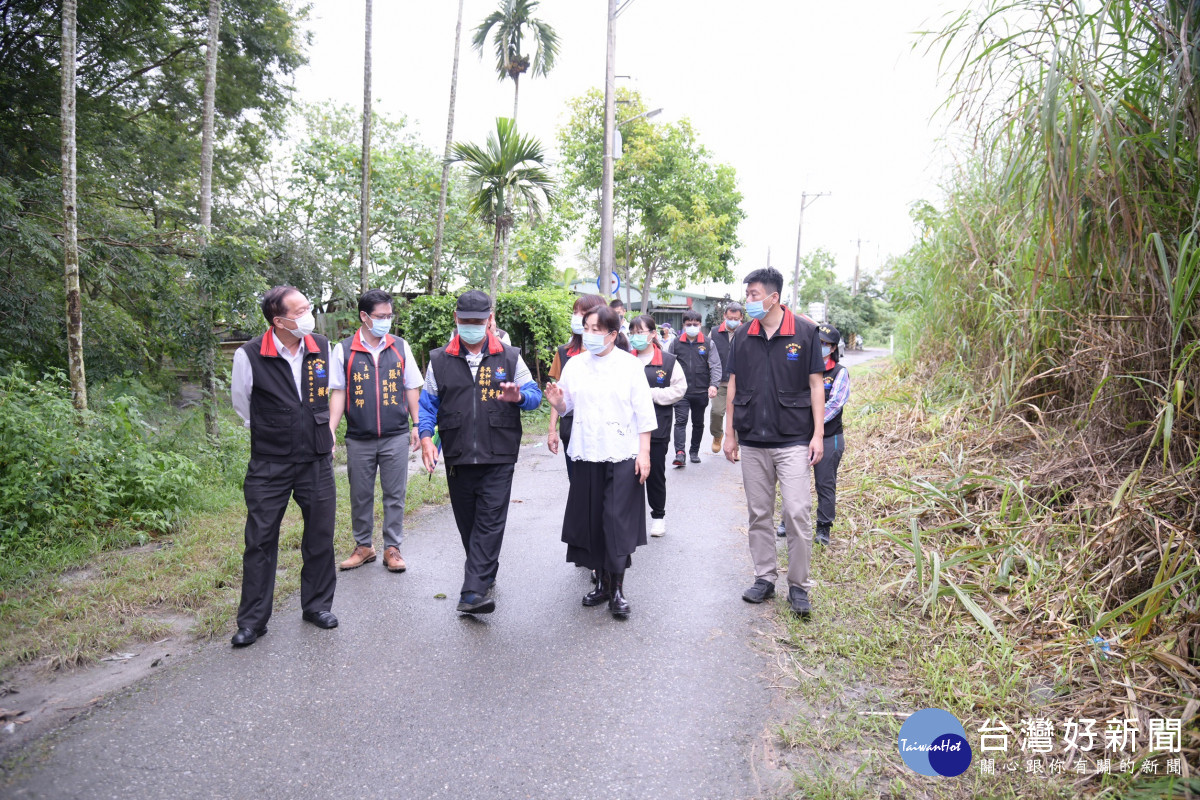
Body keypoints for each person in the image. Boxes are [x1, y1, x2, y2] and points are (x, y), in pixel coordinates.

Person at [418, 290, 542, 615]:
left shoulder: (510, 356)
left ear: (490, 320)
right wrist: (426, 438)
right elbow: (428, 404)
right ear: (456, 319)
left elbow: (534, 394)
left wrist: (519, 398)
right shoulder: (439, 359)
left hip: (498, 453)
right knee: (469, 525)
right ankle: (485, 574)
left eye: (478, 321)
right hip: (459, 455)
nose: (471, 326)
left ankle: (472, 593)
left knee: (490, 521)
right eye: (465, 321)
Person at [229, 285, 338, 647]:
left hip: (317, 460)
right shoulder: (249, 354)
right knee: (259, 541)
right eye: (300, 310)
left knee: (320, 535)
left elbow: (334, 389)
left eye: (308, 307)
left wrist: (327, 430)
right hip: (269, 463)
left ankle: (317, 605)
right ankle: (253, 621)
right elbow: (242, 404)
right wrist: (278, 426)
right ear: (278, 321)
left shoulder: (321, 346)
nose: (308, 314)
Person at [722, 267, 825, 619]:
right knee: (759, 513)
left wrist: (818, 434)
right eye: (747, 294)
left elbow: (815, 386)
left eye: (753, 295)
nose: (747, 300)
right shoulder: (743, 337)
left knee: (797, 512)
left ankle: (798, 586)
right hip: (752, 438)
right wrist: (730, 433)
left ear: (773, 298)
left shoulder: (806, 333)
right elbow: (732, 386)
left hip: (794, 438)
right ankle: (764, 577)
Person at [544, 305, 657, 618]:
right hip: (586, 451)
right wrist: (557, 403)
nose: (590, 334)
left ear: (613, 334)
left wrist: (644, 453)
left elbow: (644, 413)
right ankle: (602, 584)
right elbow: (567, 405)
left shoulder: (629, 366)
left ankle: (618, 589)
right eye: (587, 328)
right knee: (592, 519)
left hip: (622, 453)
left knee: (616, 522)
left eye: (596, 329)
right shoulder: (576, 365)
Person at [328, 289, 423, 573]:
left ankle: (392, 548)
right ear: (364, 317)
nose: (386, 321)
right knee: (360, 494)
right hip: (359, 437)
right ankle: (364, 546)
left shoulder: (399, 346)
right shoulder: (343, 350)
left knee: (395, 493)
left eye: (389, 316)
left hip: (395, 434)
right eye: (381, 316)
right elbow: (338, 392)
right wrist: (331, 430)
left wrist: (418, 425)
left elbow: (411, 387)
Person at [628, 314, 686, 537]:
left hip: (657, 428)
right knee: (628, 474)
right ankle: (630, 518)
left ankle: (658, 516)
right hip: (628, 428)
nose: (635, 337)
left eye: (640, 332)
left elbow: (679, 389)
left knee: (655, 473)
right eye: (632, 333)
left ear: (653, 334)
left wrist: (652, 394)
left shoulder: (669, 361)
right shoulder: (625, 359)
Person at [547, 294, 608, 482]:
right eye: (575, 312)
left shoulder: (613, 353)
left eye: (583, 312)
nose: (578, 317)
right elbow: (557, 396)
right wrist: (552, 430)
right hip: (572, 428)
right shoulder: (564, 352)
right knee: (577, 484)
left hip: (604, 429)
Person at [667, 309, 721, 466]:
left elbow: (716, 365)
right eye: (688, 324)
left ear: (700, 324)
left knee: (698, 423)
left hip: (701, 390)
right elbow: (668, 365)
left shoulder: (708, 343)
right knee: (680, 421)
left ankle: (694, 451)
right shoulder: (675, 343)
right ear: (683, 325)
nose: (692, 326)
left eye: (695, 324)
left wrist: (714, 385)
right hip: (681, 391)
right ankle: (680, 453)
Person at [814, 323, 850, 547]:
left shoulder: (839, 372)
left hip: (829, 437)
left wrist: (812, 423)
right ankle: (787, 522)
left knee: (825, 484)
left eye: (824, 344)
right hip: (799, 435)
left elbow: (835, 403)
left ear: (833, 347)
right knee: (792, 480)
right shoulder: (803, 368)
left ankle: (823, 528)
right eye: (816, 343)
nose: (819, 348)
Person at [708, 302, 743, 455]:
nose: (732, 320)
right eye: (730, 317)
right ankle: (717, 435)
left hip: (740, 382)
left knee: (737, 415)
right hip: (720, 381)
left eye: (735, 318)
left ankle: (736, 446)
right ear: (724, 316)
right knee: (716, 412)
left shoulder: (746, 332)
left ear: (741, 317)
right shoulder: (714, 332)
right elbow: (708, 356)